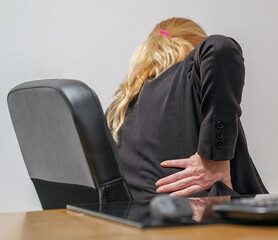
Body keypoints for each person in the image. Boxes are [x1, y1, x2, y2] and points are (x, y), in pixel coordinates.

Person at [107, 17, 267, 200]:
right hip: (210, 221)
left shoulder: (117, 110)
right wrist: (215, 157)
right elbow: (220, 47)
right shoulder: (189, 78)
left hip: (142, 223)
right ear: (196, 48)